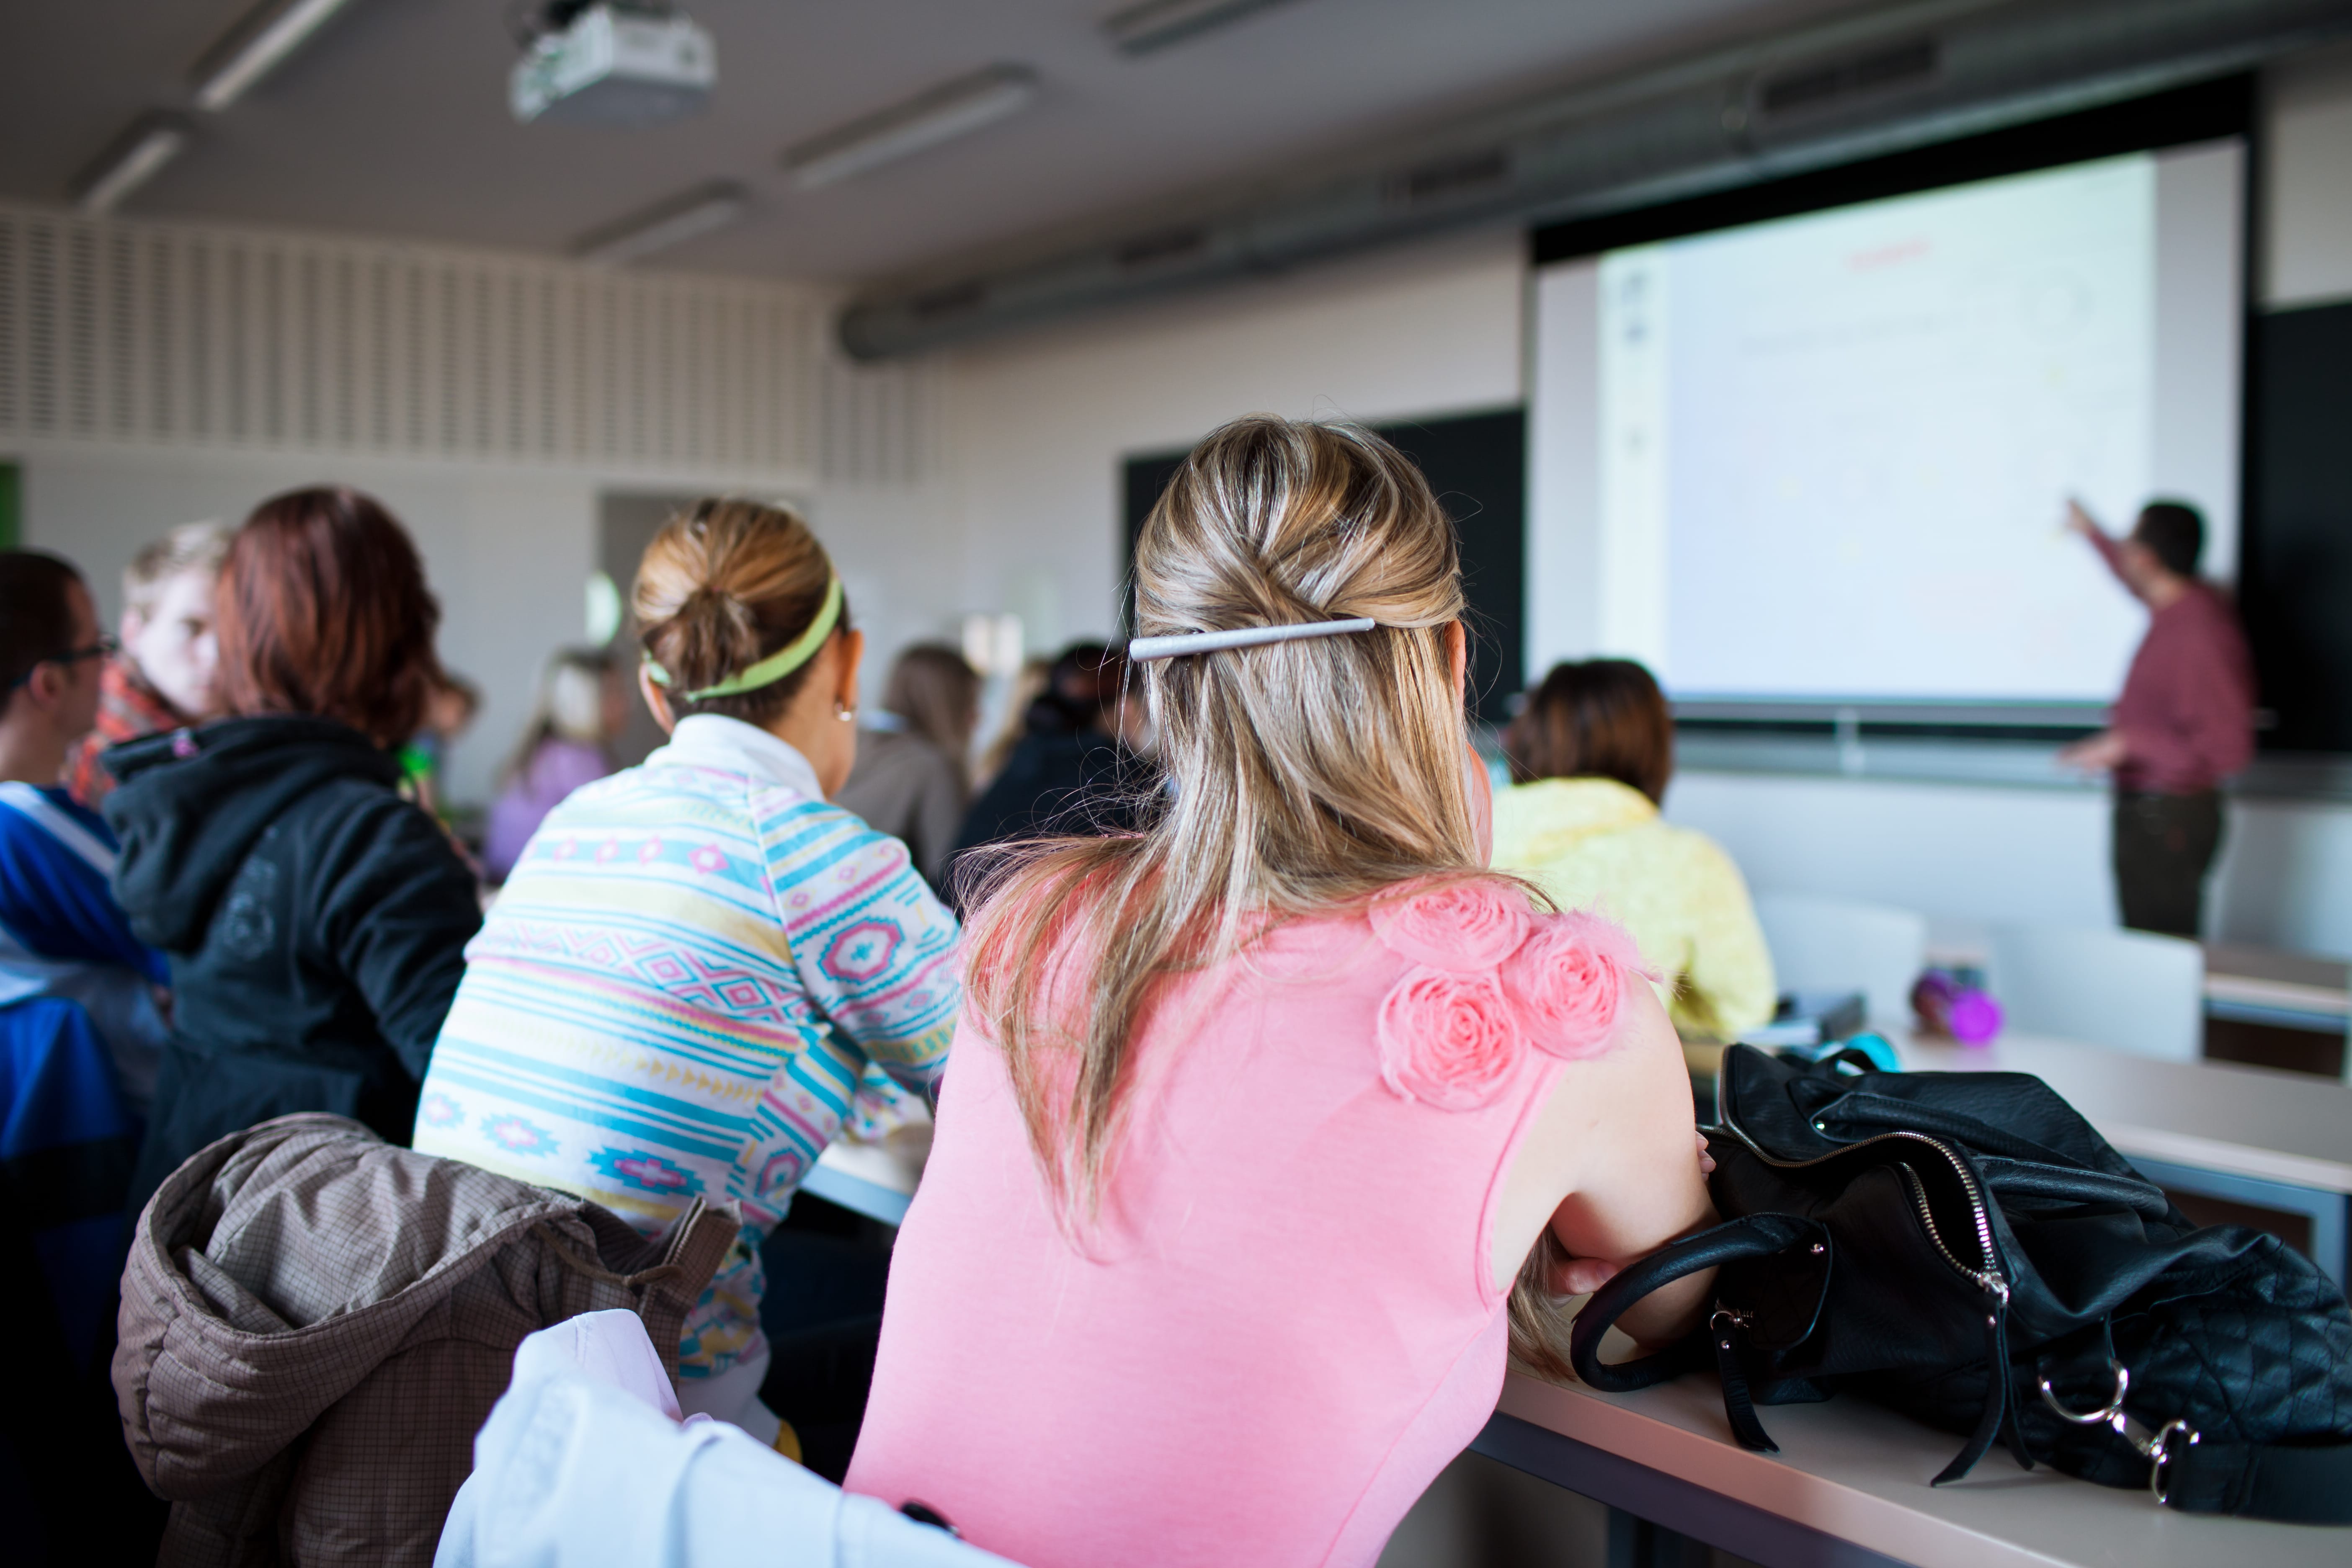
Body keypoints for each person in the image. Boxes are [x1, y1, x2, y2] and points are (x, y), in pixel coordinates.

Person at [845, 418, 1716, 1567]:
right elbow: (1671, 1311)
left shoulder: (1033, 923)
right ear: (1448, 662)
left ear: (1160, 689)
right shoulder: (1552, 1000)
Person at [413, 499, 959, 1465]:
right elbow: (1022, 1093)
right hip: (658, 1435)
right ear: (846, 662)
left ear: (657, 691)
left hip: (461, 1394)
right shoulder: (820, 856)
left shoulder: (580, 818)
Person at [105, 487, 484, 1207]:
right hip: (328, 1267)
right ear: (400, 636)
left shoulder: (194, 800)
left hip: (180, 1241)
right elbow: (470, 1104)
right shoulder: (369, 834)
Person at [1492, 658, 1775, 1044]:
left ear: (1528, 735)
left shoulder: (1460, 839)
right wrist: (1672, 1004)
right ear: (1655, 749)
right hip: (1615, 1095)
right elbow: (1742, 1011)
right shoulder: (1688, 861)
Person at [0, 551, 170, 1110]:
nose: (111, 665)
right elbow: (190, 950)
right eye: (97, 646)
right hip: (121, 1141)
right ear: (50, 684)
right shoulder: (26, 824)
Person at [2061, 498, 2255, 936]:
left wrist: (2130, 744)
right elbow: (2129, 574)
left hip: (2169, 814)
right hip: (2150, 809)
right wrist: (2092, 532)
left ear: (2148, 558)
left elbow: (2230, 749)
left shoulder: (2202, 631)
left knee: (2160, 954)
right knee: (2142, 947)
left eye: (2130, 543)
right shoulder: (2175, 604)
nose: (2123, 551)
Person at [65, 520, 232, 810]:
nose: (215, 653)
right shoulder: (89, 746)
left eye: (235, 631)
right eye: (191, 628)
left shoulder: (239, 732)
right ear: (134, 632)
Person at [950, 641, 1150, 868]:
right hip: (1019, 901)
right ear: (1129, 706)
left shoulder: (1024, 755)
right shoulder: (1126, 778)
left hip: (961, 899)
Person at [834, 643, 980, 891]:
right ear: (948, 706)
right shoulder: (931, 765)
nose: (978, 716)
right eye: (970, 702)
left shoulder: (842, 743)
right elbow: (954, 872)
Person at [482, 648, 624, 881]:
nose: (626, 703)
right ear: (582, 702)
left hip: (504, 878)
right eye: (612, 692)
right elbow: (610, 836)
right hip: (535, 883)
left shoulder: (538, 752)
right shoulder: (579, 759)